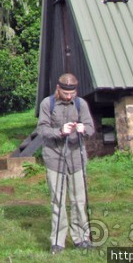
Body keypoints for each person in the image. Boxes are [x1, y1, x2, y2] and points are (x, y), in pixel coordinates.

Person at [36, 73, 95, 254]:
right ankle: (58, 242)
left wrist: (83, 129)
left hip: (77, 158)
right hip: (54, 158)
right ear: (58, 88)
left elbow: (91, 128)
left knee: (79, 200)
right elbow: (42, 129)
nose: (69, 96)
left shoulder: (81, 104)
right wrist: (60, 131)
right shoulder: (48, 104)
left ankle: (81, 239)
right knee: (58, 201)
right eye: (66, 93)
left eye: (72, 93)